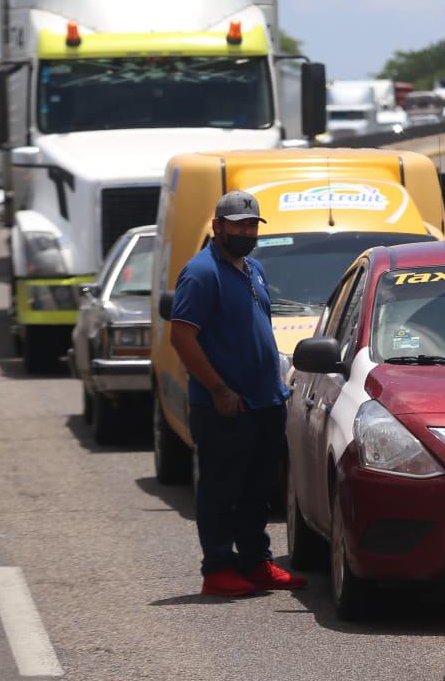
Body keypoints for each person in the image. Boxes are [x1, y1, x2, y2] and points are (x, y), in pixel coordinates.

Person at [169, 190, 308, 597]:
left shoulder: (252, 269)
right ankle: (218, 568)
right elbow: (182, 336)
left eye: (252, 225)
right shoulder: (202, 272)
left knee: (257, 488)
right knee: (221, 488)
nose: (247, 232)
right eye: (238, 225)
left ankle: (254, 561)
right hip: (225, 405)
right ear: (218, 227)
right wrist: (218, 388)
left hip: (265, 401)